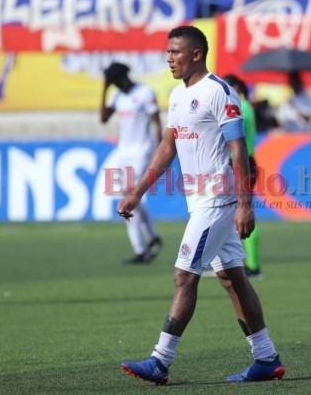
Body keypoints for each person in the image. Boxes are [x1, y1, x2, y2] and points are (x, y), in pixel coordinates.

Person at [117, 26, 284, 384]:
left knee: (184, 275)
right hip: (200, 200)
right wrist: (137, 191)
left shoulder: (219, 93)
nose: (169, 58)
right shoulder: (177, 96)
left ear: (196, 54)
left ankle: (160, 360)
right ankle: (267, 358)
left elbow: (239, 151)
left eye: (175, 52)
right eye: (168, 52)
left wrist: (245, 203)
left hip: (219, 199)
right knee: (231, 278)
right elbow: (166, 148)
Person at [100, 62, 163, 264]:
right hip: (123, 152)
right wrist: (105, 88)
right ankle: (152, 238)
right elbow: (103, 118)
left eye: (113, 81)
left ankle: (141, 249)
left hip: (142, 151)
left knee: (128, 199)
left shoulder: (144, 92)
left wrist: (159, 150)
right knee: (130, 198)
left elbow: (156, 121)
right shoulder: (116, 95)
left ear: (123, 77)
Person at [223, 74, 262, 278]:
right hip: (243, 162)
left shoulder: (242, 108)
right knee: (233, 213)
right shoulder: (244, 107)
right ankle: (236, 263)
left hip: (242, 163)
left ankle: (253, 265)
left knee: (243, 211)